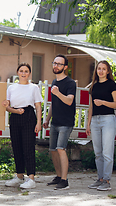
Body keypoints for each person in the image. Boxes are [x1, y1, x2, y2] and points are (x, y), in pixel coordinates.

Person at [4, 63, 43, 189]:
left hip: (29, 116)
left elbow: (38, 106)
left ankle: (31, 178)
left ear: (29, 73)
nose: (23, 73)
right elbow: (7, 107)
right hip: (15, 117)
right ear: (17, 72)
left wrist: (38, 122)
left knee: (28, 147)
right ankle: (19, 176)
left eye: (26, 71)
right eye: (21, 71)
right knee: (17, 147)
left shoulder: (34, 88)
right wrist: (14, 111)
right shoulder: (11, 88)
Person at [43, 54, 76, 190]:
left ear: (65, 67)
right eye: (54, 63)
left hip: (66, 123)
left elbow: (69, 101)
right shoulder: (54, 82)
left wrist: (57, 93)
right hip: (55, 122)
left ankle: (64, 180)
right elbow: (53, 103)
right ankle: (58, 176)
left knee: (61, 149)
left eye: (59, 64)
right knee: (53, 150)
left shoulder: (70, 83)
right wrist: (47, 118)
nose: (55, 66)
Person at [85, 60, 116, 191]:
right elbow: (91, 106)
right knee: (98, 152)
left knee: (107, 152)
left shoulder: (111, 85)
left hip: (108, 120)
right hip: (95, 121)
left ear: (108, 71)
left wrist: (103, 102)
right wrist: (88, 124)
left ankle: (107, 180)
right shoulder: (93, 86)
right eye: (99, 68)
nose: (101, 71)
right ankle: (99, 179)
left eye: (104, 69)